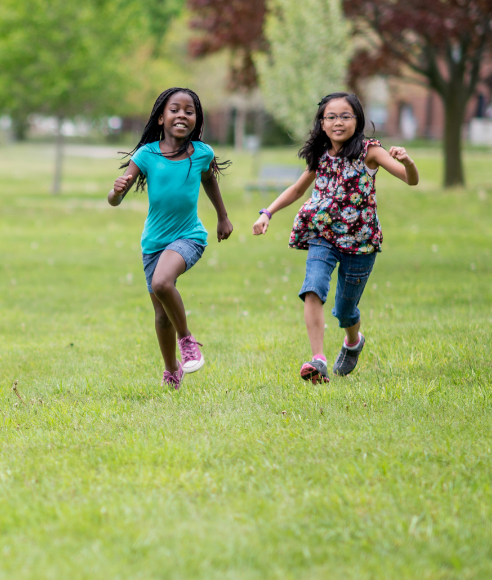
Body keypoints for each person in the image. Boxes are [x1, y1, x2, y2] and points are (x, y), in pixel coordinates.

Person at [253, 92, 419, 384]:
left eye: (345, 116)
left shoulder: (370, 151)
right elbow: (296, 189)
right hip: (323, 233)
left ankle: (353, 341)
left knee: (345, 310)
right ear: (322, 122)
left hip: (361, 240)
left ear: (358, 120)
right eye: (331, 117)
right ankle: (318, 360)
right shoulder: (320, 155)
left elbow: (410, 180)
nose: (338, 122)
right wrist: (267, 212)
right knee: (313, 287)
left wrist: (408, 162)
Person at [109, 87, 233, 389]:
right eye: (174, 109)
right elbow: (114, 200)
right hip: (153, 242)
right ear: (161, 117)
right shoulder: (147, 154)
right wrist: (117, 191)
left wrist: (222, 216)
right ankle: (171, 369)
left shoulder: (202, 153)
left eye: (189, 111)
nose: (182, 115)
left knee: (162, 283)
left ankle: (187, 340)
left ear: (196, 119)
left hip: (189, 236)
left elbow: (209, 181)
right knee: (160, 313)